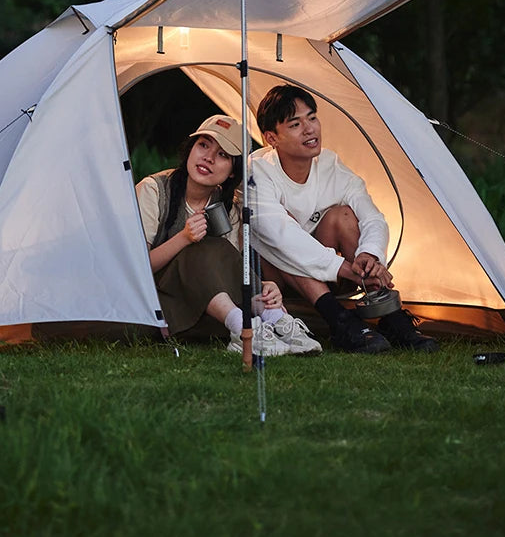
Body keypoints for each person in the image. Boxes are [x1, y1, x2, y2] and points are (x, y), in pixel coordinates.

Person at [250, 85, 439, 354]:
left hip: (329, 273)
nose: (309, 129)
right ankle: (339, 320)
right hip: (272, 279)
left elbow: (373, 218)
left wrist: (370, 256)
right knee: (285, 239)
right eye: (295, 124)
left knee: (344, 215)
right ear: (272, 138)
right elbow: (280, 235)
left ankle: (390, 316)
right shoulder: (257, 171)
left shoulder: (330, 165)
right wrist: (344, 268)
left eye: (312, 118)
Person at [135, 114, 322, 356]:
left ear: (233, 171)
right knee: (204, 247)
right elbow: (137, 270)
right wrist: (184, 238)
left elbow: (227, 271)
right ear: (190, 149)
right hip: (160, 298)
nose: (208, 158)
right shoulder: (154, 190)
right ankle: (244, 329)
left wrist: (264, 287)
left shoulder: (227, 207)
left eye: (223, 155)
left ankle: (275, 318)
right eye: (203, 145)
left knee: (221, 250)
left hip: (205, 302)